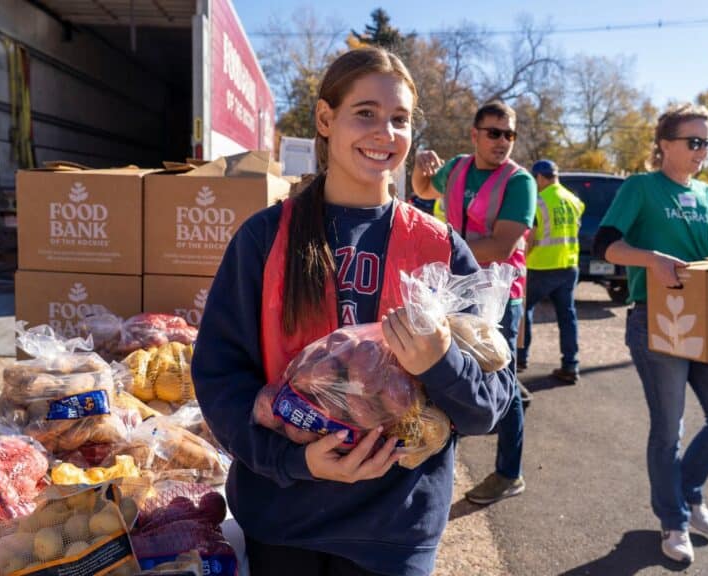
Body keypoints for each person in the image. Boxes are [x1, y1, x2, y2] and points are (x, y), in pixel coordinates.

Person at [190, 47, 515, 576]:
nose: (385, 132)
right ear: (325, 119)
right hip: (282, 519)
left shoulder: (440, 249)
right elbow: (219, 378)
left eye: (400, 119)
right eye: (365, 112)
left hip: (394, 532)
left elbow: (489, 407)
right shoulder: (265, 238)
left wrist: (439, 361)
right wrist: (292, 460)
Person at [593, 103, 708, 564]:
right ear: (664, 144)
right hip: (655, 320)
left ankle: (688, 490)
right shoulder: (641, 187)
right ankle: (674, 519)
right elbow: (605, 245)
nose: (703, 151)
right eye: (694, 141)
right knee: (668, 428)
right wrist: (652, 259)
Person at [411, 101, 537, 505]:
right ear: (474, 134)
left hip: (496, 298)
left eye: (509, 134)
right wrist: (420, 164)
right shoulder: (459, 168)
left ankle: (508, 473)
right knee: (450, 372)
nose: (503, 142)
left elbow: (502, 245)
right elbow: (422, 189)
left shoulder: (520, 183)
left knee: (502, 382)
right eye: (494, 132)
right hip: (454, 290)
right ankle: (441, 454)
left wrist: (440, 256)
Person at [520, 159, 584, 383]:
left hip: (541, 266)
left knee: (523, 310)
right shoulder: (573, 200)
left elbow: (533, 238)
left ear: (539, 178)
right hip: (568, 266)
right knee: (567, 316)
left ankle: (520, 358)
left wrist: (520, 261)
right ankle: (570, 364)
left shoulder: (538, 201)